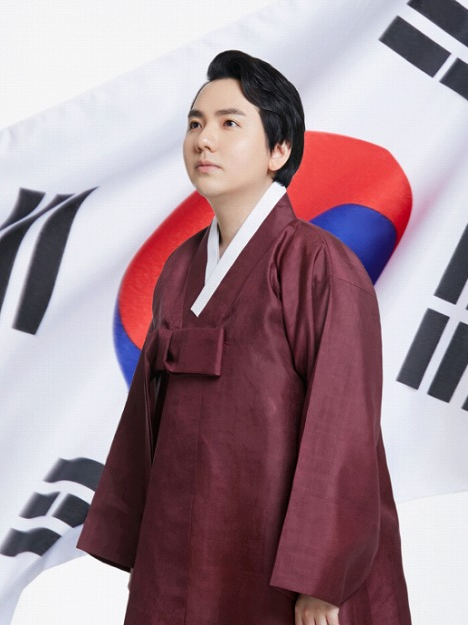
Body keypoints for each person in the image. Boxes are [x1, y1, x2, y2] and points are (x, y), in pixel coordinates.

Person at [77, 50, 411, 625]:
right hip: (181, 548)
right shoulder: (180, 268)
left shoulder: (317, 264)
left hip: (279, 558)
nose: (204, 139)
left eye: (230, 123)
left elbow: (343, 427)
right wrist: (141, 543)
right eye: (195, 123)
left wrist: (319, 578)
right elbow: (145, 418)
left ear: (279, 150)